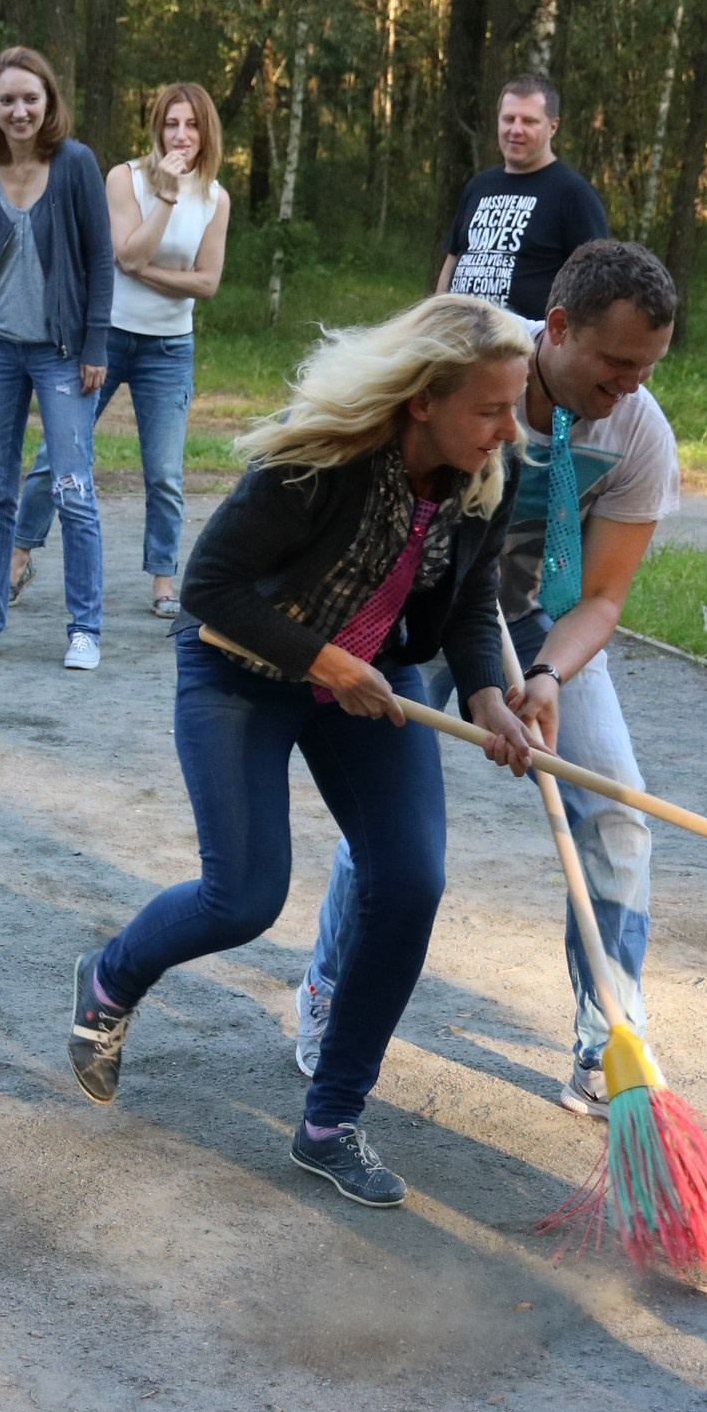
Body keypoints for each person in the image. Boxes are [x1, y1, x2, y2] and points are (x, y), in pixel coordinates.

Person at [66, 295, 544, 1208]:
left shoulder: (493, 467)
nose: (506, 427)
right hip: (242, 671)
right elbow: (209, 586)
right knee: (243, 896)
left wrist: (488, 695)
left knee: (410, 880)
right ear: (422, 400)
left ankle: (331, 1121)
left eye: (512, 405)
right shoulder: (320, 458)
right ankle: (110, 974)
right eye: (489, 408)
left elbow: (473, 596)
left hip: (368, 676)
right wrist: (327, 659)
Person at [295, 241, 681, 1120]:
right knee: (386, 831)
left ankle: (609, 1037)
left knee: (619, 811)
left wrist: (545, 674)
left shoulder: (640, 430)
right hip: (418, 601)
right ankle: (330, 987)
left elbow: (604, 597)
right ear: (557, 330)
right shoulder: (474, 367)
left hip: (540, 617)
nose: (631, 384)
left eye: (648, 367)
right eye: (616, 362)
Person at [11, 81, 229, 624]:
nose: (180, 136)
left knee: (164, 471)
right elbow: (126, 249)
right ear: (156, 128)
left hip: (170, 349)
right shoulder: (124, 179)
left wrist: (142, 271)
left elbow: (205, 284)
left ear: (206, 133)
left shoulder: (216, 197)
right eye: (171, 124)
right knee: (56, 455)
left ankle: (162, 578)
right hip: (103, 339)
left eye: (191, 125)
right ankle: (17, 556)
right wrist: (168, 197)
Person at [0, 47, 114, 671]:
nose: (19, 109)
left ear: (48, 102)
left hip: (63, 356)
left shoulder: (77, 164)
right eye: (6, 99)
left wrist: (95, 345)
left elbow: (100, 261)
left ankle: (85, 629)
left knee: (73, 490)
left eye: (30, 98)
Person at [435, 73, 608, 322]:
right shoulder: (479, 186)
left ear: (552, 126)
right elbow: (453, 259)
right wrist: (435, 322)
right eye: (508, 119)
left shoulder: (574, 194)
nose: (516, 130)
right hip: (458, 342)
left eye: (529, 121)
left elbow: (595, 282)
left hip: (524, 353)